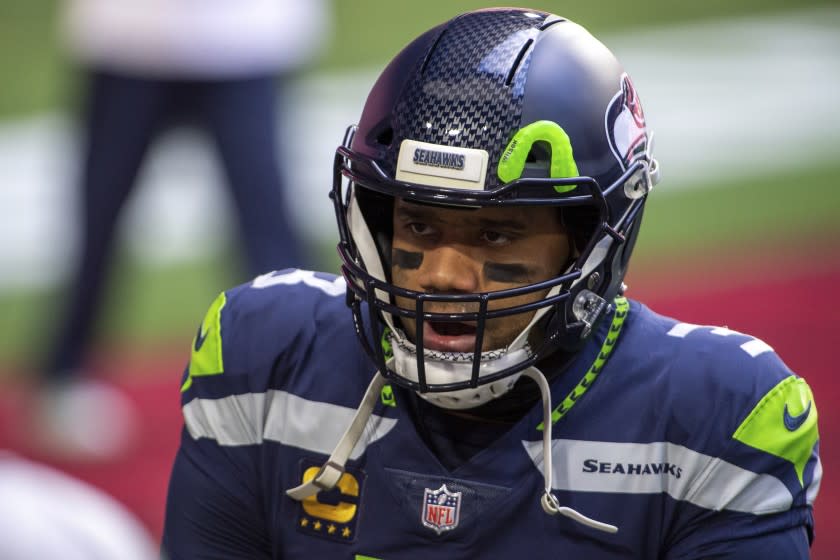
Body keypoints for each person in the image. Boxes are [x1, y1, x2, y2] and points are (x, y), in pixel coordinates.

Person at [162, 8, 821, 558]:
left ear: (590, 244)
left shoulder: (712, 415)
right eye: (417, 225)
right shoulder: (265, 360)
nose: (444, 273)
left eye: (496, 234)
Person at [35, 0, 329, 459]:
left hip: (244, 40)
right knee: (100, 217)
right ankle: (64, 373)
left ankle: (311, 384)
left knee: (266, 228)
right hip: (127, 36)